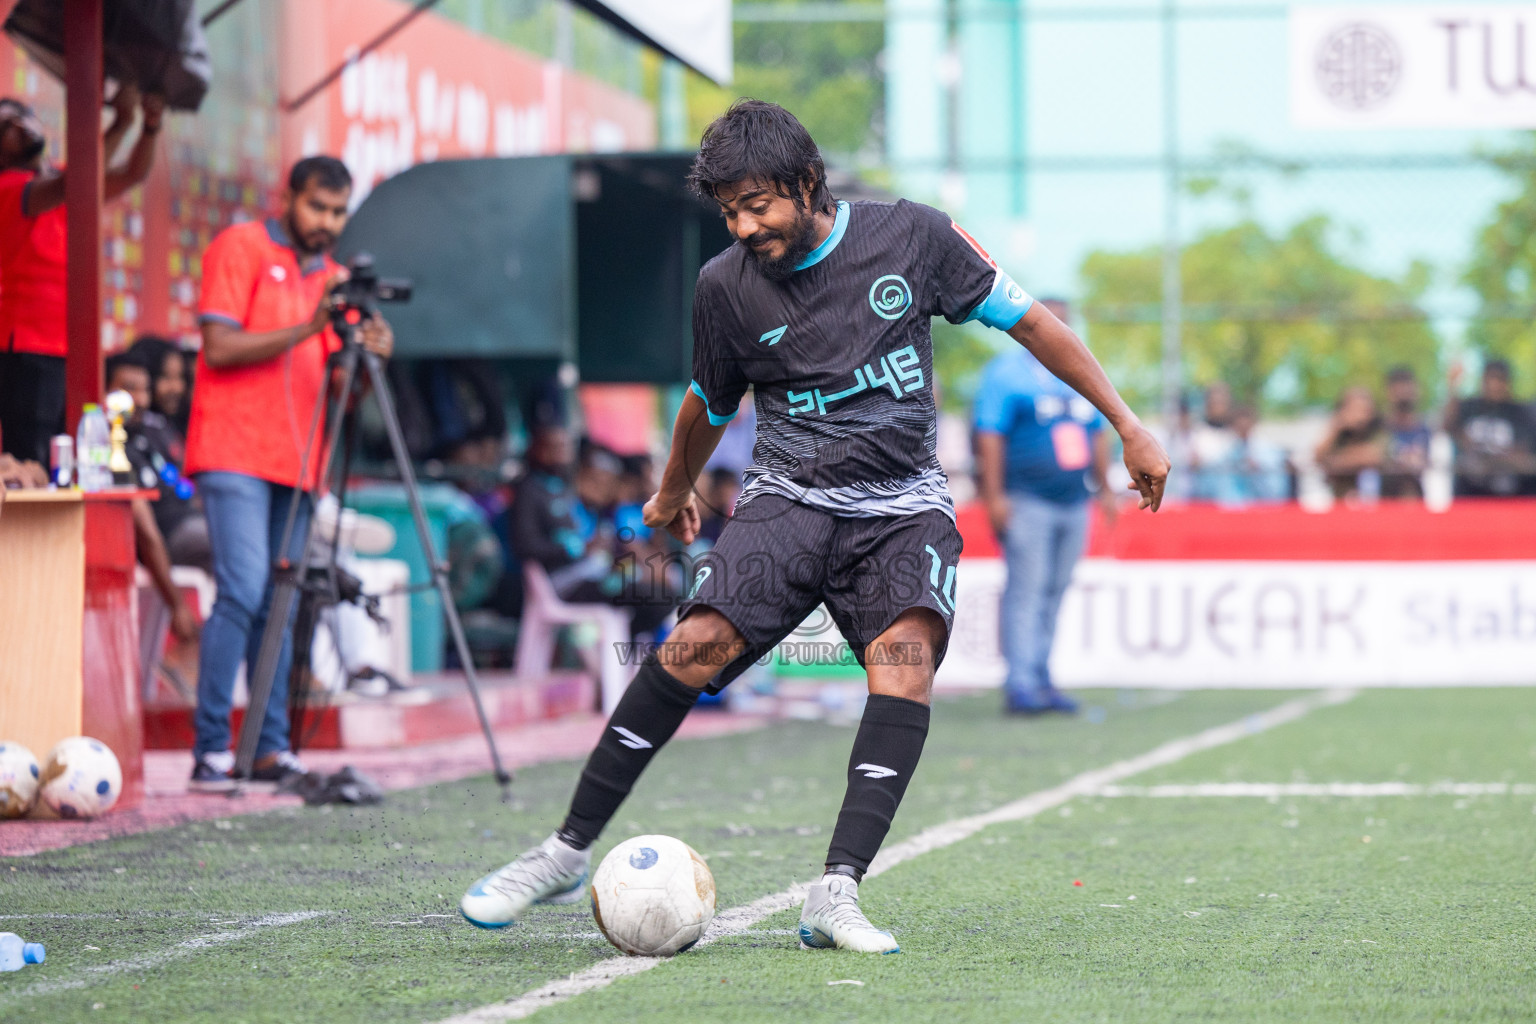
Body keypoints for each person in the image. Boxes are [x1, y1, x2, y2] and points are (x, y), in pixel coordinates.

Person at [459, 100, 1169, 953]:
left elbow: (1035, 326)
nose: (743, 225)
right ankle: (564, 850)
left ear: (806, 183)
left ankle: (836, 891)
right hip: (788, 501)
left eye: (758, 204)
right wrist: (673, 485)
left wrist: (1126, 424)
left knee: (902, 663)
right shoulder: (723, 285)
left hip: (905, 508)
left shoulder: (914, 236)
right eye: (728, 210)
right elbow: (707, 402)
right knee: (691, 648)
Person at [182, 156, 394, 792]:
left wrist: (367, 356)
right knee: (244, 590)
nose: (326, 223)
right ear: (288, 198)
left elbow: (339, 392)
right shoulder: (239, 246)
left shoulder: (335, 281)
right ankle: (210, 751)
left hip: (299, 463)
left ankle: (268, 749)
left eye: (337, 212)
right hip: (231, 452)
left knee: (282, 601)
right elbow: (218, 346)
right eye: (316, 208)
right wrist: (308, 327)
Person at [0, 85, 163, 463]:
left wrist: (150, 127)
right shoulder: (9, 188)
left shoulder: (58, 180)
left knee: (72, 460)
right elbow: (76, 183)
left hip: (70, 345)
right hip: (27, 349)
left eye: (23, 115)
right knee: (31, 463)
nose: (21, 127)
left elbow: (133, 173)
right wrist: (122, 123)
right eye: (6, 126)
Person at [974, 299, 1115, 716]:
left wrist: (1105, 489)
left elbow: (1099, 432)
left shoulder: (1080, 372)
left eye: (1064, 323)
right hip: (1027, 499)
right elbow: (989, 436)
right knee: (1027, 590)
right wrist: (995, 496)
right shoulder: (1006, 374)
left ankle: (1041, 674)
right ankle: (1020, 684)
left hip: (1075, 501)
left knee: (1054, 590)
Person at [1444, 359, 1535, 498]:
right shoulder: (1470, 407)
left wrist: (1494, 457)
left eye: (1499, 379)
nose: (1494, 385)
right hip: (1470, 493)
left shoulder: (1519, 413)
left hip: (1510, 495)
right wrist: (1453, 387)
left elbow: (1524, 450)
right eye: (1490, 379)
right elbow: (1448, 426)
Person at [1315, 386, 1385, 501]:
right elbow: (1317, 456)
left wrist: (1333, 462)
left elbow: (1372, 456)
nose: (1360, 416)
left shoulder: (1378, 430)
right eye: (1354, 409)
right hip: (1339, 500)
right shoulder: (1339, 433)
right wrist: (1337, 427)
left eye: (1365, 410)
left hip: (1374, 502)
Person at [1381, 366, 1431, 500]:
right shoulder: (1378, 427)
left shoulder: (1425, 428)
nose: (1403, 394)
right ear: (1389, 392)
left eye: (1407, 389)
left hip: (1415, 499)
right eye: (1398, 389)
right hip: (1383, 501)